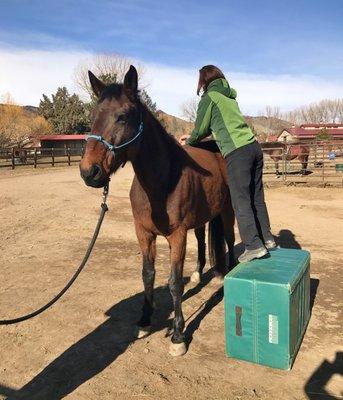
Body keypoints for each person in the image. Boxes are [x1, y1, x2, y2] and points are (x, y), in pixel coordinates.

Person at [179, 65, 276, 263]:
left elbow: (201, 129)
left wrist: (188, 141)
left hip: (237, 152)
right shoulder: (229, 97)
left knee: (240, 200)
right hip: (254, 148)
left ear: (203, 81)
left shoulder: (210, 98)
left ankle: (254, 246)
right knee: (257, 197)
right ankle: (267, 238)